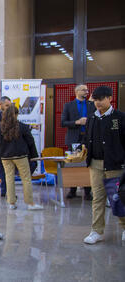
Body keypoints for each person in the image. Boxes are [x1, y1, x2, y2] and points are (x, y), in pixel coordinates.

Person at [83, 86, 125, 244]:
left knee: (118, 198)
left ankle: (124, 227)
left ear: (110, 98)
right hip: (95, 164)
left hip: (115, 165)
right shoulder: (92, 118)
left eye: (101, 99)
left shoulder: (119, 117)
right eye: (95, 100)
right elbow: (87, 137)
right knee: (97, 198)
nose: (98, 103)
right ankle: (97, 231)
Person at [0, 105, 43, 211]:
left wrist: (0, 153)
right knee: (26, 178)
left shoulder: (0, 126)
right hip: (21, 156)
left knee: (9, 178)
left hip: (5, 157)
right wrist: (34, 156)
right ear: (16, 114)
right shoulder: (22, 126)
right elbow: (30, 141)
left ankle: (11, 203)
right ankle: (30, 203)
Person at [61, 84, 95, 200]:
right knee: (73, 163)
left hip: (88, 138)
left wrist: (88, 121)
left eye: (87, 90)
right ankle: (72, 190)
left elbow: (96, 119)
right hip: (74, 139)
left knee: (88, 163)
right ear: (77, 92)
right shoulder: (68, 105)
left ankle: (87, 191)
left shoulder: (91, 105)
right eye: (84, 90)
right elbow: (63, 122)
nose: (86, 91)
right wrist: (77, 122)